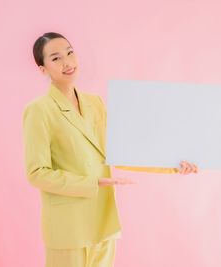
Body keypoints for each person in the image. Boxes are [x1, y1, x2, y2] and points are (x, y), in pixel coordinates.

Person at [22, 32, 198, 267]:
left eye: (70, 52)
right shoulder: (39, 110)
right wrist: (92, 183)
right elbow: (37, 173)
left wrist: (173, 164)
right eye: (55, 58)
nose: (67, 62)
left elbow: (119, 151)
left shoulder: (95, 103)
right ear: (43, 70)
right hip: (69, 228)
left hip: (103, 220)